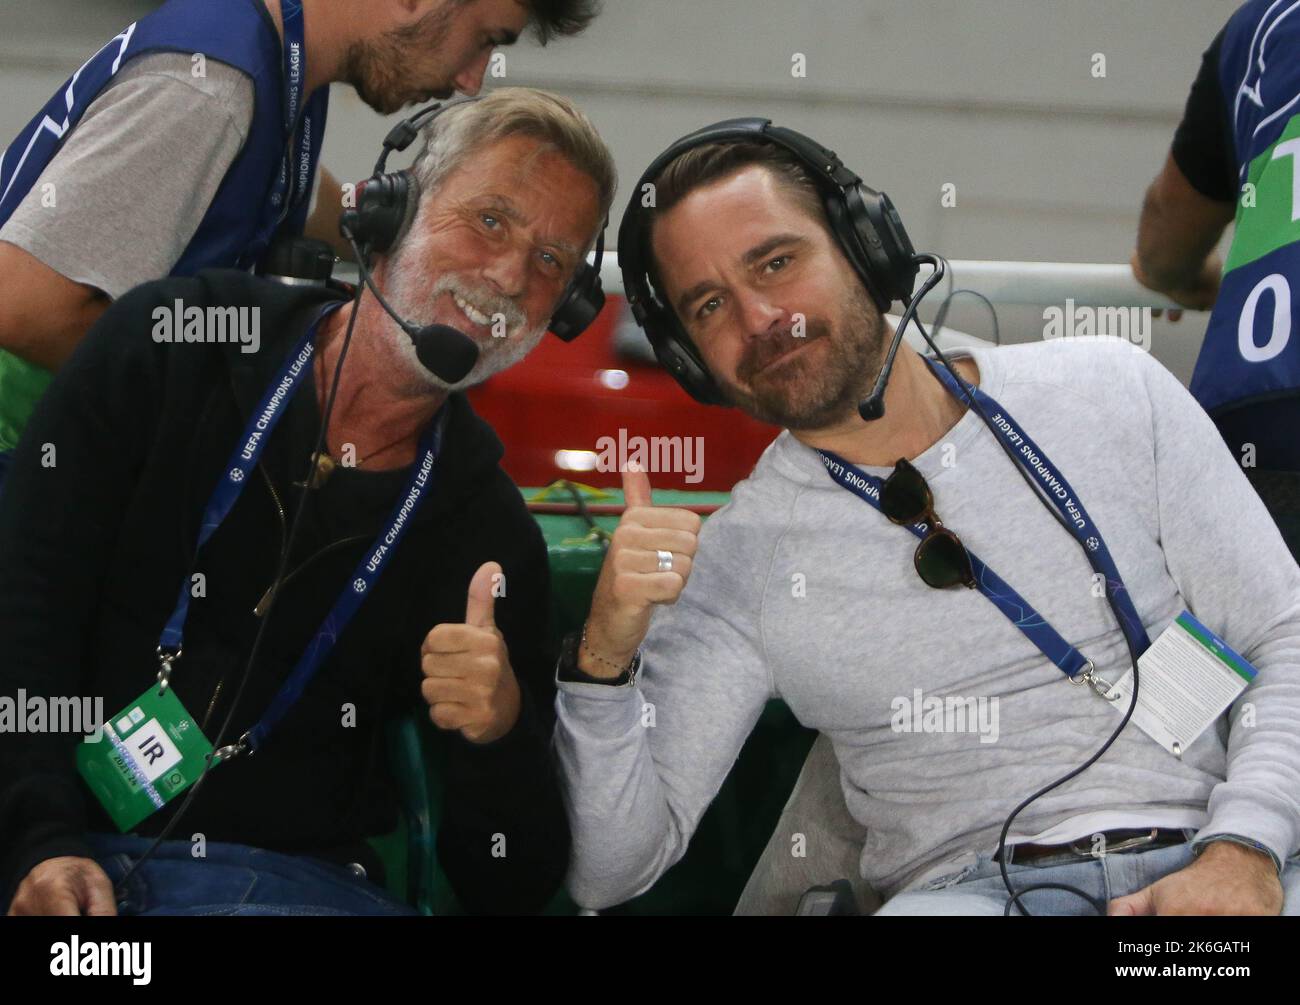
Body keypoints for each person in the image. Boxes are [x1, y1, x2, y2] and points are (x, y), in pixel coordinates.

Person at [554, 121, 1300, 915]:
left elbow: (1281, 631)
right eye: (708, 305)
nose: (761, 316)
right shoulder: (744, 557)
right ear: (687, 356)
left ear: (866, 246)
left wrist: (1246, 848)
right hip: (977, 895)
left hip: (1223, 864)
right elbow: (610, 870)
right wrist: (604, 654)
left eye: (776, 261)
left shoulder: (1109, 388)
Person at [0, 87, 616, 916]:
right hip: (51, 851)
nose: (508, 275)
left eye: (551, 262)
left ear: (568, 307)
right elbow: (20, 607)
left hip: (286, 888)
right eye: (492, 220)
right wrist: (37, 842)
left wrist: (498, 732)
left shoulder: (486, 534)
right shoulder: (177, 344)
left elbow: (511, 881)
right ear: (392, 212)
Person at [0, 0, 601, 487]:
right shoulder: (214, 90)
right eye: (484, 40)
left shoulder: (280, 67)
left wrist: (390, 218)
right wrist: (218, 417)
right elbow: (23, 306)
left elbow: (294, 189)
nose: (472, 80)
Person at [1132, 0, 1300, 558]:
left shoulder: (1267, 25)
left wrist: (1190, 280)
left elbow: (1163, 246)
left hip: (1259, 413)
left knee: (1210, 642)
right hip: (1261, 413)